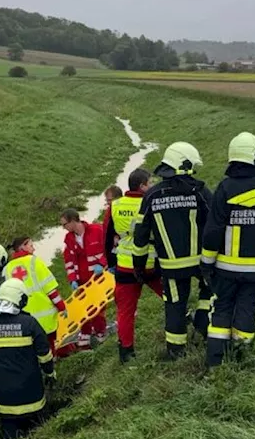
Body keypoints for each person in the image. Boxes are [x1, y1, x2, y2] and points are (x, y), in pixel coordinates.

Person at [201, 132, 255, 368]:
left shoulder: (224, 189)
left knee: (222, 307)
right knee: (247, 306)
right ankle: (240, 357)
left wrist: (207, 263)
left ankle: (215, 361)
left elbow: (213, 230)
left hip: (225, 269)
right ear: (254, 157)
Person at [132, 141, 213, 360]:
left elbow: (140, 237)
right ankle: (204, 328)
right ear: (185, 165)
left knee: (175, 306)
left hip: (171, 267)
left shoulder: (151, 196)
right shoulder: (200, 191)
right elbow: (216, 223)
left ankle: (176, 351)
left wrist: (138, 266)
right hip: (202, 263)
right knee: (209, 294)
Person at [0, 278, 56, 439]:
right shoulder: (29, 323)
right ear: (21, 300)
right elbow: (45, 354)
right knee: (39, 437)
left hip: (5, 400)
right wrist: (50, 374)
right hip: (31, 395)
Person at [107, 168, 163, 363]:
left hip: (125, 267)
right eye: (151, 182)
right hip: (151, 263)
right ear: (142, 186)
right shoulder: (152, 202)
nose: (153, 185)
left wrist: (111, 263)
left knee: (125, 312)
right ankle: (184, 328)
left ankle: (126, 352)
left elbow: (108, 237)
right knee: (172, 298)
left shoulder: (115, 206)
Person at [2, 237, 69, 355]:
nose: (34, 248)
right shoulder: (34, 262)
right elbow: (50, 290)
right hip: (45, 317)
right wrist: (62, 307)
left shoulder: (7, 269)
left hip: (24, 319)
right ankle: (52, 366)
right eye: (31, 245)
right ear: (22, 247)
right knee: (48, 347)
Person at [60, 208, 108, 346]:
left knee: (98, 306)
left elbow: (109, 249)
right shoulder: (69, 239)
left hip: (97, 278)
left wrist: (102, 264)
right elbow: (68, 261)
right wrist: (72, 279)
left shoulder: (97, 231)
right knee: (82, 307)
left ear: (73, 221)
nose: (64, 228)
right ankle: (85, 332)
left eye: (64, 224)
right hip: (80, 279)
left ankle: (100, 331)